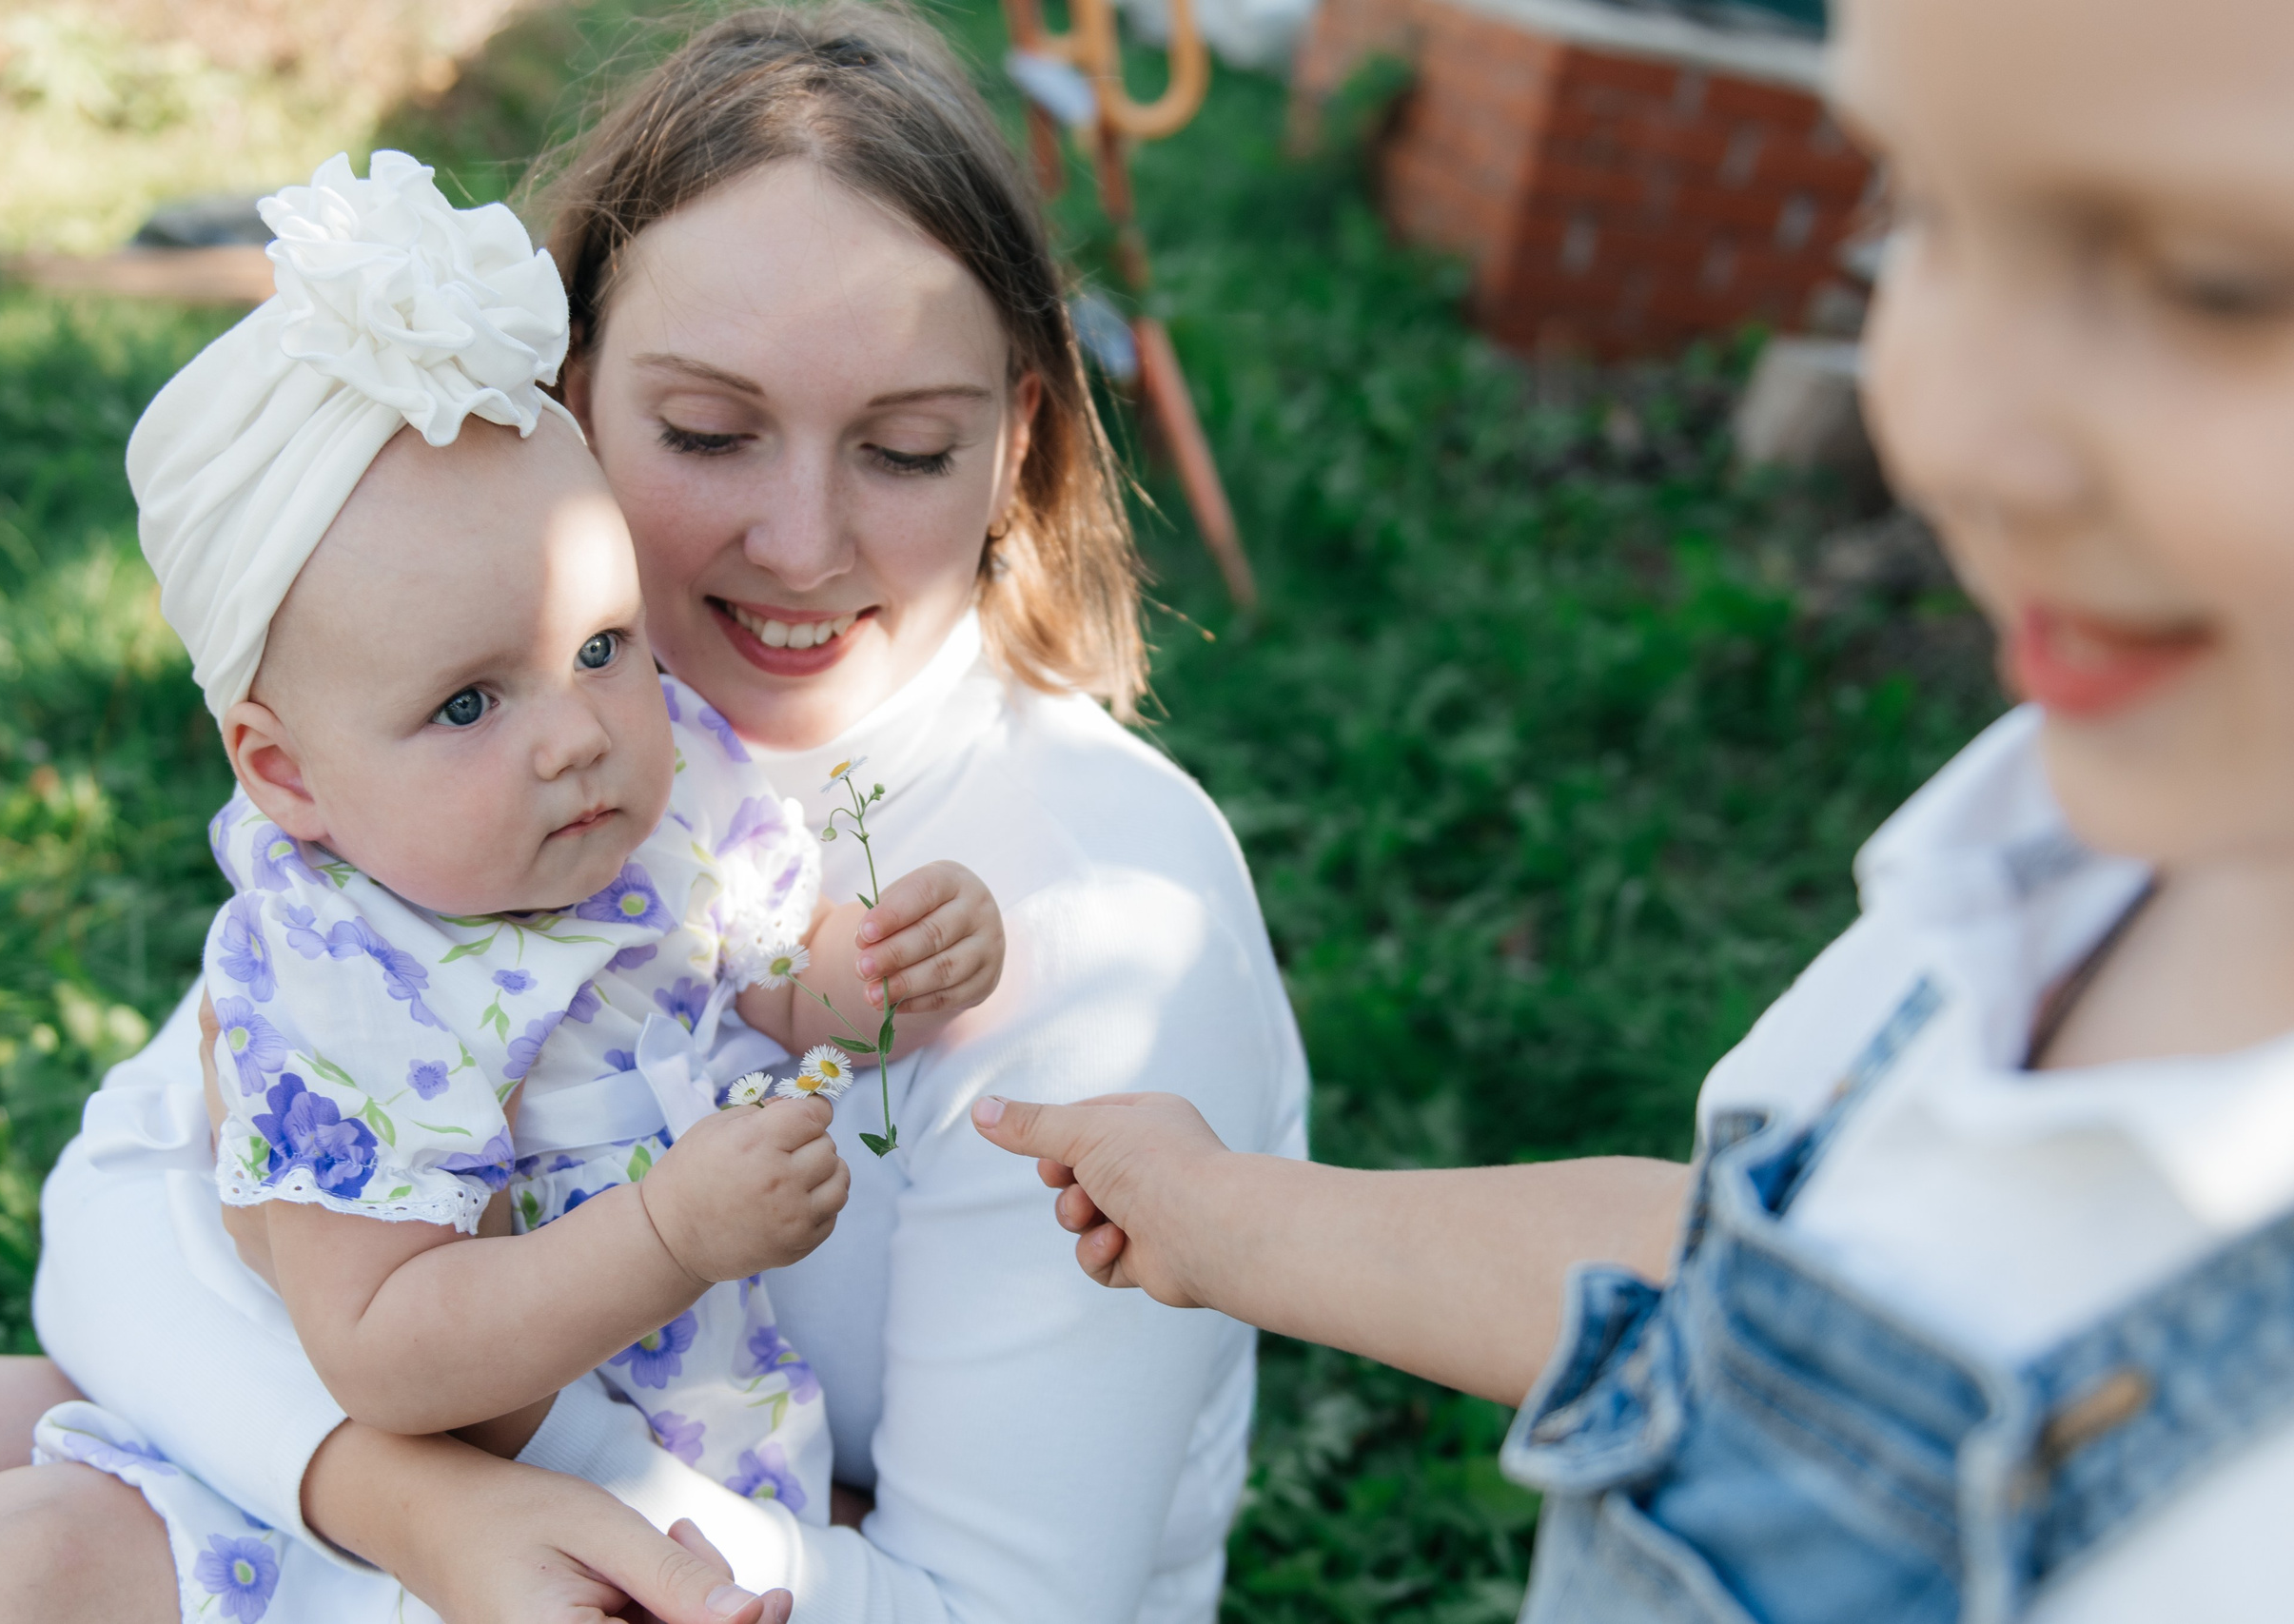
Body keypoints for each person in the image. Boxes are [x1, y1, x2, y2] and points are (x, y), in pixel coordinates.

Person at [0, 8, 1309, 1624]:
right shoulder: (520, 724)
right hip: (462, 1474)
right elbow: (115, 1218)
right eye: (707, 433)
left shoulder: (1106, 916)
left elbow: (994, 1610)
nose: (802, 543)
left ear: (1015, 437)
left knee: (24, 1564)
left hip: (749, 1577)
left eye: (906, 451)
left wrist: (483, 1470)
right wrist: (403, 1497)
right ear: (569, 395)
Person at [975, 0, 2294, 1616]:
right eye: (1924, 214)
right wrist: (1230, 1218)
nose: (1953, 433)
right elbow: (1748, 1284)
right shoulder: (2055, 852)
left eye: (2216, 286)